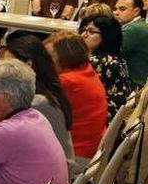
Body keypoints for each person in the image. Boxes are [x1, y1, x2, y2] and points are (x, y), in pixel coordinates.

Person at [1, 32, 75, 165]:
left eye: (9, 67)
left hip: (47, 179)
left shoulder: (37, 102)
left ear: (28, 64)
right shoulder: (49, 90)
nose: (3, 73)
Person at [45, 31, 108, 160]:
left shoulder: (67, 81)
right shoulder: (86, 69)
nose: (44, 61)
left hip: (74, 155)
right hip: (91, 148)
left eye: (48, 57)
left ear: (66, 58)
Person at [79, 15, 135, 120]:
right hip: (112, 116)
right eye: (84, 30)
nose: (83, 35)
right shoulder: (116, 57)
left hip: (100, 117)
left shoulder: (100, 62)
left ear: (106, 36)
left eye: (91, 32)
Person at [113, 0, 148, 86]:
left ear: (136, 11)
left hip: (136, 84)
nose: (116, 13)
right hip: (141, 81)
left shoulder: (134, 29)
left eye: (122, 9)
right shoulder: (138, 25)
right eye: (115, 9)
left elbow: (110, 53)